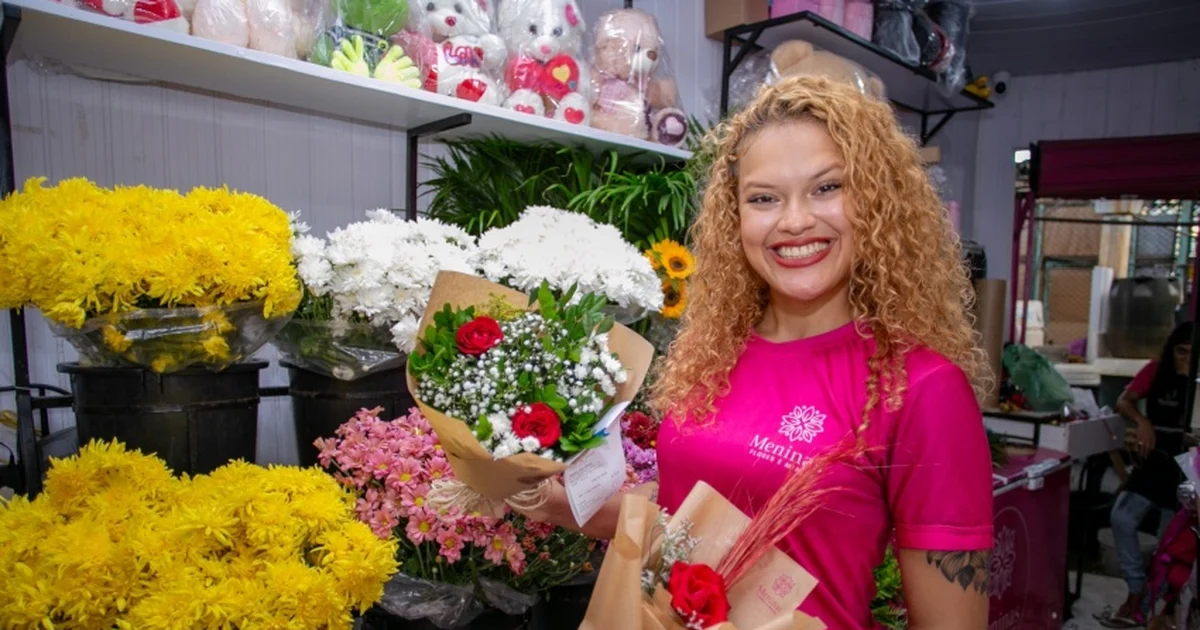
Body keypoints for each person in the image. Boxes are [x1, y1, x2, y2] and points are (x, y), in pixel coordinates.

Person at [520, 76, 995, 628]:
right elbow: (682, 514)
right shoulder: (714, 354)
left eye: (827, 188)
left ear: (875, 200)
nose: (794, 221)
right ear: (735, 216)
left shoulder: (922, 387)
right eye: (764, 198)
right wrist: (544, 500)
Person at [1101, 320, 1194, 628]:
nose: (1186, 359)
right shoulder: (1156, 371)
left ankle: (1154, 604)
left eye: (1192, 353)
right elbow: (1123, 401)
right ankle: (1136, 589)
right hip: (1156, 458)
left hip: (1187, 465)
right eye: (1181, 352)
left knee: (1170, 541)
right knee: (1121, 517)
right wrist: (1142, 421)